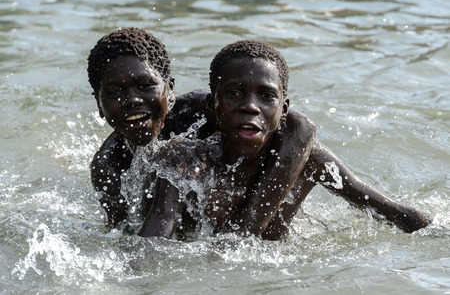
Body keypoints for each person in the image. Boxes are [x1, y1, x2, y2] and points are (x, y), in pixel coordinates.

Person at [138, 40, 432, 240]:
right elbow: (154, 241)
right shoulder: (185, 162)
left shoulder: (311, 161)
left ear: (284, 110)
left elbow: (397, 213)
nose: (250, 106)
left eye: (266, 96)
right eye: (234, 94)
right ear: (212, 105)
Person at [87, 27, 315, 230]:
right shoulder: (108, 167)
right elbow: (126, 233)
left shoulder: (200, 111)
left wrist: (248, 229)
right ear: (99, 104)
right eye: (113, 93)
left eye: (146, 85)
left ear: (170, 89)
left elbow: (300, 127)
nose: (132, 101)